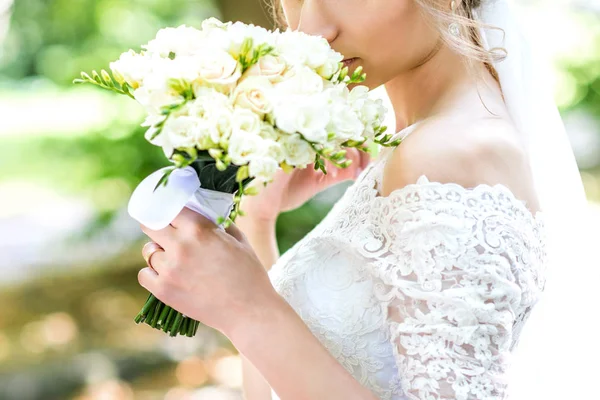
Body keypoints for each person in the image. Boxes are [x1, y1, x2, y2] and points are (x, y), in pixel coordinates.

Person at [138, 0, 587, 399]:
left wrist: (249, 311)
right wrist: (258, 219)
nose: (311, 29)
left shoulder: (450, 153)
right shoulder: (417, 143)